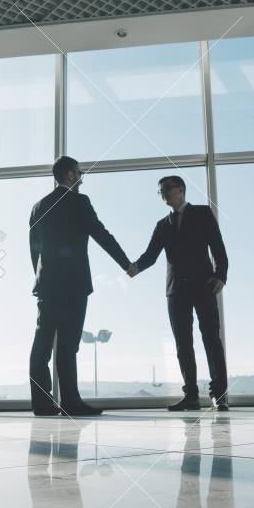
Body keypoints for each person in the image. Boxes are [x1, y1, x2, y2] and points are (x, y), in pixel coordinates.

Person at [28, 156, 132, 417]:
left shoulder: (38, 206)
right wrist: (126, 264)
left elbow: (34, 249)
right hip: (73, 284)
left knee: (42, 342)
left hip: (47, 285)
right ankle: (71, 402)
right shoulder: (79, 202)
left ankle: (42, 404)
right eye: (79, 173)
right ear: (71, 176)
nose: (82, 177)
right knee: (68, 343)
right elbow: (101, 234)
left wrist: (39, 278)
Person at [127, 175, 229, 411]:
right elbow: (150, 256)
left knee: (211, 340)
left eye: (166, 189)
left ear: (181, 189)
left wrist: (221, 275)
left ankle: (218, 396)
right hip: (176, 291)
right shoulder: (162, 225)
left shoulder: (203, 213)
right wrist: (135, 267)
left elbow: (218, 247)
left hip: (204, 286)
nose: (163, 194)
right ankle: (191, 396)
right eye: (160, 191)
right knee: (183, 343)